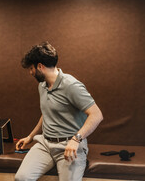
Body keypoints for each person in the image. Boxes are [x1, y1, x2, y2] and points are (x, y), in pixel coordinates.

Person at [15, 41, 103, 181]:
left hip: (69, 146)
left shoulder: (71, 85)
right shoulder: (42, 86)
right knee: (21, 178)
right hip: (45, 144)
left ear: (40, 66)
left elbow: (97, 115)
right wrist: (30, 137)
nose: (30, 72)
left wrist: (76, 139)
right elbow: (47, 114)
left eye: (31, 68)